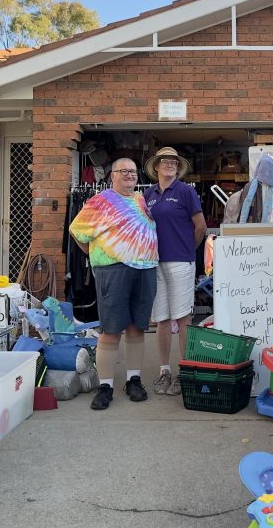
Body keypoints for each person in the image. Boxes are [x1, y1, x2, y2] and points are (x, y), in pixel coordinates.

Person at [69, 158, 158, 410]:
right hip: (113, 270)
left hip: (146, 269)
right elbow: (77, 232)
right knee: (110, 331)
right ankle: (105, 385)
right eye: (124, 171)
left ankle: (133, 380)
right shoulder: (101, 201)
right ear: (113, 176)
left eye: (133, 170)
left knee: (136, 329)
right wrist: (98, 256)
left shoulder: (142, 199)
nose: (130, 175)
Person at [143, 146, 206, 396]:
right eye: (164, 161)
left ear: (178, 168)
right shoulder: (147, 195)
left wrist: (187, 250)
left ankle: (184, 370)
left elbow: (200, 227)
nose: (169, 164)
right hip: (154, 262)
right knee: (161, 319)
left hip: (180, 262)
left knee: (183, 319)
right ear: (156, 167)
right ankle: (164, 371)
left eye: (174, 161)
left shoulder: (186, 192)